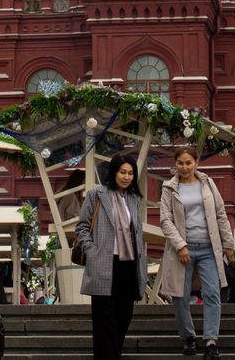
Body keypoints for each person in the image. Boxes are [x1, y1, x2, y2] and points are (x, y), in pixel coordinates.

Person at [158, 146, 235, 358]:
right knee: (180, 296)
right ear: (175, 165)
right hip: (181, 250)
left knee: (212, 293)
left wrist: (228, 245)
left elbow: (221, 214)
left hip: (208, 248)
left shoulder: (208, 184)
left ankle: (211, 341)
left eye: (188, 163)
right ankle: (189, 337)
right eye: (180, 163)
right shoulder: (168, 188)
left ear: (196, 163)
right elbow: (165, 220)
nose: (185, 167)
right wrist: (180, 245)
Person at [76, 153, 144, 360]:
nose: (126, 177)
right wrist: (91, 250)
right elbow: (82, 227)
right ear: (114, 172)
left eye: (130, 173)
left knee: (123, 319)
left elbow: (136, 232)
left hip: (128, 267)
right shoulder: (97, 194)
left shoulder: (133, 199)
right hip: (104, 265)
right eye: (122, 172)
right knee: (105, 323)